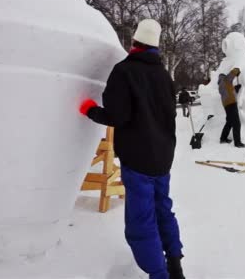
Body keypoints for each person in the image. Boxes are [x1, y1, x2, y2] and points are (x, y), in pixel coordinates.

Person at [79, 19, 185, 279]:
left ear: (134, 42)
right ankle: (175, 265)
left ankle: (159, 274)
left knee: (141, 221)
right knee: (163, 209)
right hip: (163, 156)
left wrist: (90, 110)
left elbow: (118, 116)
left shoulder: (124, 71)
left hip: (138, 159)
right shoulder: (164, 76)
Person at [218, 68, 245, 147]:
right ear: (223, 77)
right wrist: (237, 71)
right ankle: (237, 143)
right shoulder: (225, 80)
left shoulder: (221, 85)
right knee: (237, 123)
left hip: (227, 105)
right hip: (231, 104)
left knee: (229, 122)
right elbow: (234, 71)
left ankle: (223, 138)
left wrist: (235, 89)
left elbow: (229, 92)